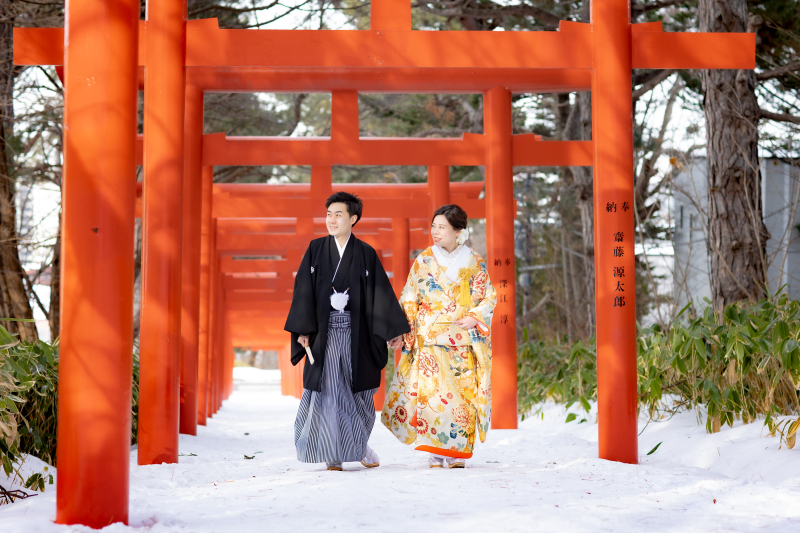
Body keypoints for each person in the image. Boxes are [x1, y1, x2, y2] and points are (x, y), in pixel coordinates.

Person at [284, 192, 410, 471]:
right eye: (328, 214)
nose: (331, 220)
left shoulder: (365, 253)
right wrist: (302, 329)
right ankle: (333, 452)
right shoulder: (316, 249)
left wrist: (392, 329)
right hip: (324, 335)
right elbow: (303, 290)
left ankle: (359, 445)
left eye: (338, 214)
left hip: (358, 336)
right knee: (329, 392)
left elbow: (380, 292)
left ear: (353, 219)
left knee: (358, 393)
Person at [381, 204, 496, 469]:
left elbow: (489, 295)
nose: (435, 231)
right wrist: (401, 329)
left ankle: (456, 452)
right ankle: (435, 450)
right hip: (429, 339)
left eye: (442, 227)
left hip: (462, 338)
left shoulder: (474, 260)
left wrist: (475, 317)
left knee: (462, 397)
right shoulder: (423, 260)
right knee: (432, 396)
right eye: (433, 226)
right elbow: (409, 296)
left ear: (458, 231)